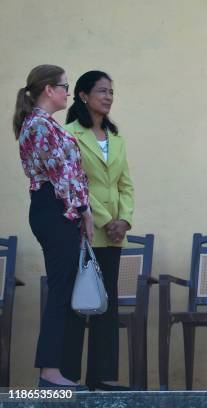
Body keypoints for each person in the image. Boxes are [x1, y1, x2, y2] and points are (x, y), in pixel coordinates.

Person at [13, 65, 93, 390]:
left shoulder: (44, 125)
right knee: (61, 289)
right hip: (55, 208)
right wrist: (84, 212)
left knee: (66, 287)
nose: (68, 93)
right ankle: (49, 370)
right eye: (64, 86)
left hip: (57, 208)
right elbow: (62, 178)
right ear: (48, 89)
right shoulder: (40, 127)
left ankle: (57, 369)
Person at [64, 71, 134, 391]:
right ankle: (67, 375)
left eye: (111, 92)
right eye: (101, 91)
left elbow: (125, 185)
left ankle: (103, 375)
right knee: (78, 302)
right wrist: (106, 218)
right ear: (82, 95)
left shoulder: (116, 138)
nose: (108, 97)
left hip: (114, 234)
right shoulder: (69, 134)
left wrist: (125, 220)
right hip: (84, 228)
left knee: (108, 303)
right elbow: (77, 182)